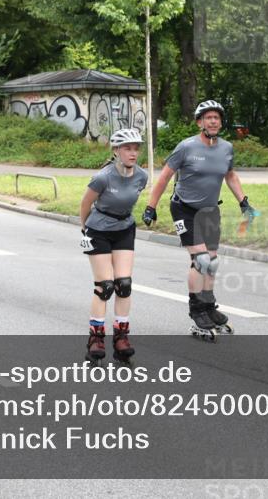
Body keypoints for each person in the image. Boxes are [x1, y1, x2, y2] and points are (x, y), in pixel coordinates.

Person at [142, 100, 256, 341]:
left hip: (210, 210)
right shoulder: (186, 147)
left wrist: (243, 201)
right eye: (208, 117)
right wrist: (151, 207)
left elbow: (231, 176)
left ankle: (208, 305)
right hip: (184, 208)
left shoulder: (226, 148)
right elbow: (163, 178)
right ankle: (196, 310)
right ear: (199, 122)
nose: (213, 121)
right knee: (201, 259)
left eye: (217, 117)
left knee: (212, 261)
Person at [80, 128, 149, 364]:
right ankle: (96, 339)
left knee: (124, 284)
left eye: (136, 148)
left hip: (124, 229)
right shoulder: (103, 177)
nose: (133, 153)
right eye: (127, 148)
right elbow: (85, 204)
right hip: (98, 230)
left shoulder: (142, 176)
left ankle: (121, 337)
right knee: (105, 286)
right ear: (116, 150)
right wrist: (84, 229)